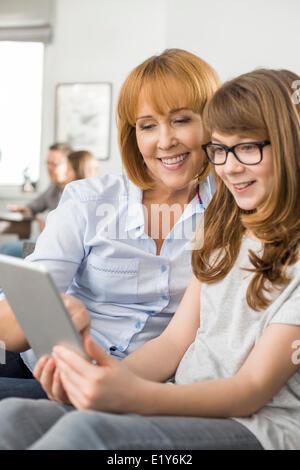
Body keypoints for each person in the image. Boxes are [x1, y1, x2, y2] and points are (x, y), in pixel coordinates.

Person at [0, 67, 299, 451]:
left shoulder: (223, 216)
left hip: (257, 423)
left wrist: (130, 394)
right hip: (176, 395)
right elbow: (175, 342)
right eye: (221, 150)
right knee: (13, 418)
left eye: (247, 147)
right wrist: (107, 381)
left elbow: (250, 391)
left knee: (85, 434)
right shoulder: (224, 229)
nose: (230, 166)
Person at [0, 49, 219, 399]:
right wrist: (46, 312)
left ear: (212, 122)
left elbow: (177, 341)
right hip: (44, 361)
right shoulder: (88, 200)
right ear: (133, 135)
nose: (165, 141)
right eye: (148, 126)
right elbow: (12, 328)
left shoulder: (229, 210)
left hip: (131, 378)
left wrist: (102, 384)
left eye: (181, 120)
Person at [0, 143, 73, 258]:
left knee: (7, 250)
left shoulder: (77, 193)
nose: (49, 168)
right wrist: (25, 209)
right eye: (47, 164)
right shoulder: (54, 187)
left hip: (58, 251)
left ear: (69, 165)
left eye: (54, 164)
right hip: (47, 245)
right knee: (7, 249)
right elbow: (36, 205)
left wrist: (49, 230)